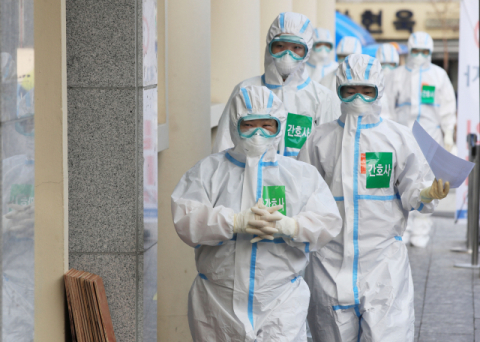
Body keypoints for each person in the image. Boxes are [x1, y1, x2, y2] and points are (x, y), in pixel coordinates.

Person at [298, 54, 450, 342]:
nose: (359, 97)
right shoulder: (319, 139)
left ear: (379, 89)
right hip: (328, 264)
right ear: (339, 90)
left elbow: (413, 189)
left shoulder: (397, 138)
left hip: (383, 264)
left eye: (367, 90)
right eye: (351, 90)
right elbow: (304, 194)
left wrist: (429, 192)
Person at [172, 85, 342, 341]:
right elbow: (185, 220)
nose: (258, 133)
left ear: (279, 126)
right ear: (234, 125)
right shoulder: (209, 171)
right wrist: (233, 222)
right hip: (217, 301)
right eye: (249, 124)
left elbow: (328, 222)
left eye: (268, 125)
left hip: (280, 300)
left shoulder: (300, 175)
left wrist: (292, 227)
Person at [213, 12, 340, 158]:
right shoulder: (246, 90)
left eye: (296, 48)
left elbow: (329, 153)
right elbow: (224, 144)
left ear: (307, 51)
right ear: (269, 46)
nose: (287, 54)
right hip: (250, 178)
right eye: (280, 45)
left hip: (302, 180)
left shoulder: (322, 98)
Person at [385, 31, 456, 247]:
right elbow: (387, 106)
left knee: (427, 184)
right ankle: (402, 228)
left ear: (430, 52)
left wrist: (448, 135)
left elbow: (447, 107)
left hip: (430, 137)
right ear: (409, 50)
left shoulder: (438, 75)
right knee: (400, 182)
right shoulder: (397, 75)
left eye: (425, 51)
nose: (420, 55)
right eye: (416, 51)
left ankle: (422, 231)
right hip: (401, 137)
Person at [375, 43, 400, 120]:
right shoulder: (372, 83)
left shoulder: (401, 82)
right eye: (383, 64)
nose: (387, 68)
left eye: (391, 64)